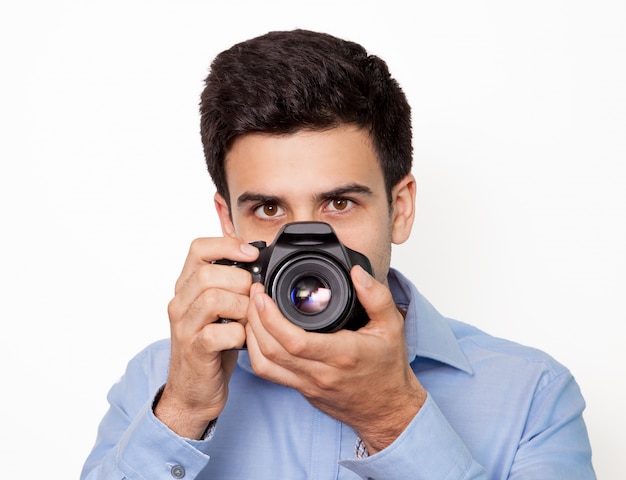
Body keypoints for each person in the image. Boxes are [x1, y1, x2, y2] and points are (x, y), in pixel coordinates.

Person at [81, 29, 595, 479]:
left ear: (400, 208)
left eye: (339, 202)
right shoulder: (158, 384)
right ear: (227, 220)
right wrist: (183, 411)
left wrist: (392, 417)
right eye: (267, 208)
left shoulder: (532, 396)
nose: (306, 239)